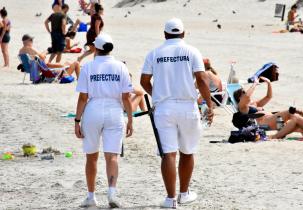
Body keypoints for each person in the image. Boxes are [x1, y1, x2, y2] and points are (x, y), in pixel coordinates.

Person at [140, 18, 214, 208]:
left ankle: (170, 199)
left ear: (165, 34)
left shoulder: (154, 53)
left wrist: (157, 94)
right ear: (183, 33)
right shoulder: (192, 51)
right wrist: (209, 105)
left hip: (164, 108)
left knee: (168, 154)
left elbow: (144, 80)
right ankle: (184, 194)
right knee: (188, 152)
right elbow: (203, 80)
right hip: (187, 106)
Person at [75, 33, 133, 208]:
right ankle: (112, 193)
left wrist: (77, 120)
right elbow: (126, 97)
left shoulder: (88, 67)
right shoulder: (121, 67)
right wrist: (130, 119)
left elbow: (83, 98)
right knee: (112, 156)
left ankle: (91, 196)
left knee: (91, 157)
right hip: (114, 112)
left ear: (96, 48)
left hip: (93, 111)